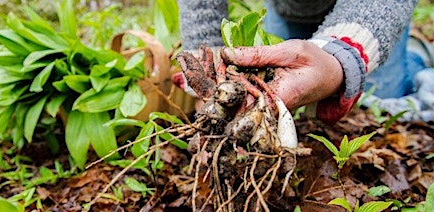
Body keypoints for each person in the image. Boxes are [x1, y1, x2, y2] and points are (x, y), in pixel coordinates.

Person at [175, 0, 434, 124]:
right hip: (289, 8)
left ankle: (415, 53)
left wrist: (344, 51)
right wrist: (209, 67)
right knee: (284, 89)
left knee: (378, 98)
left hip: (365, 8)